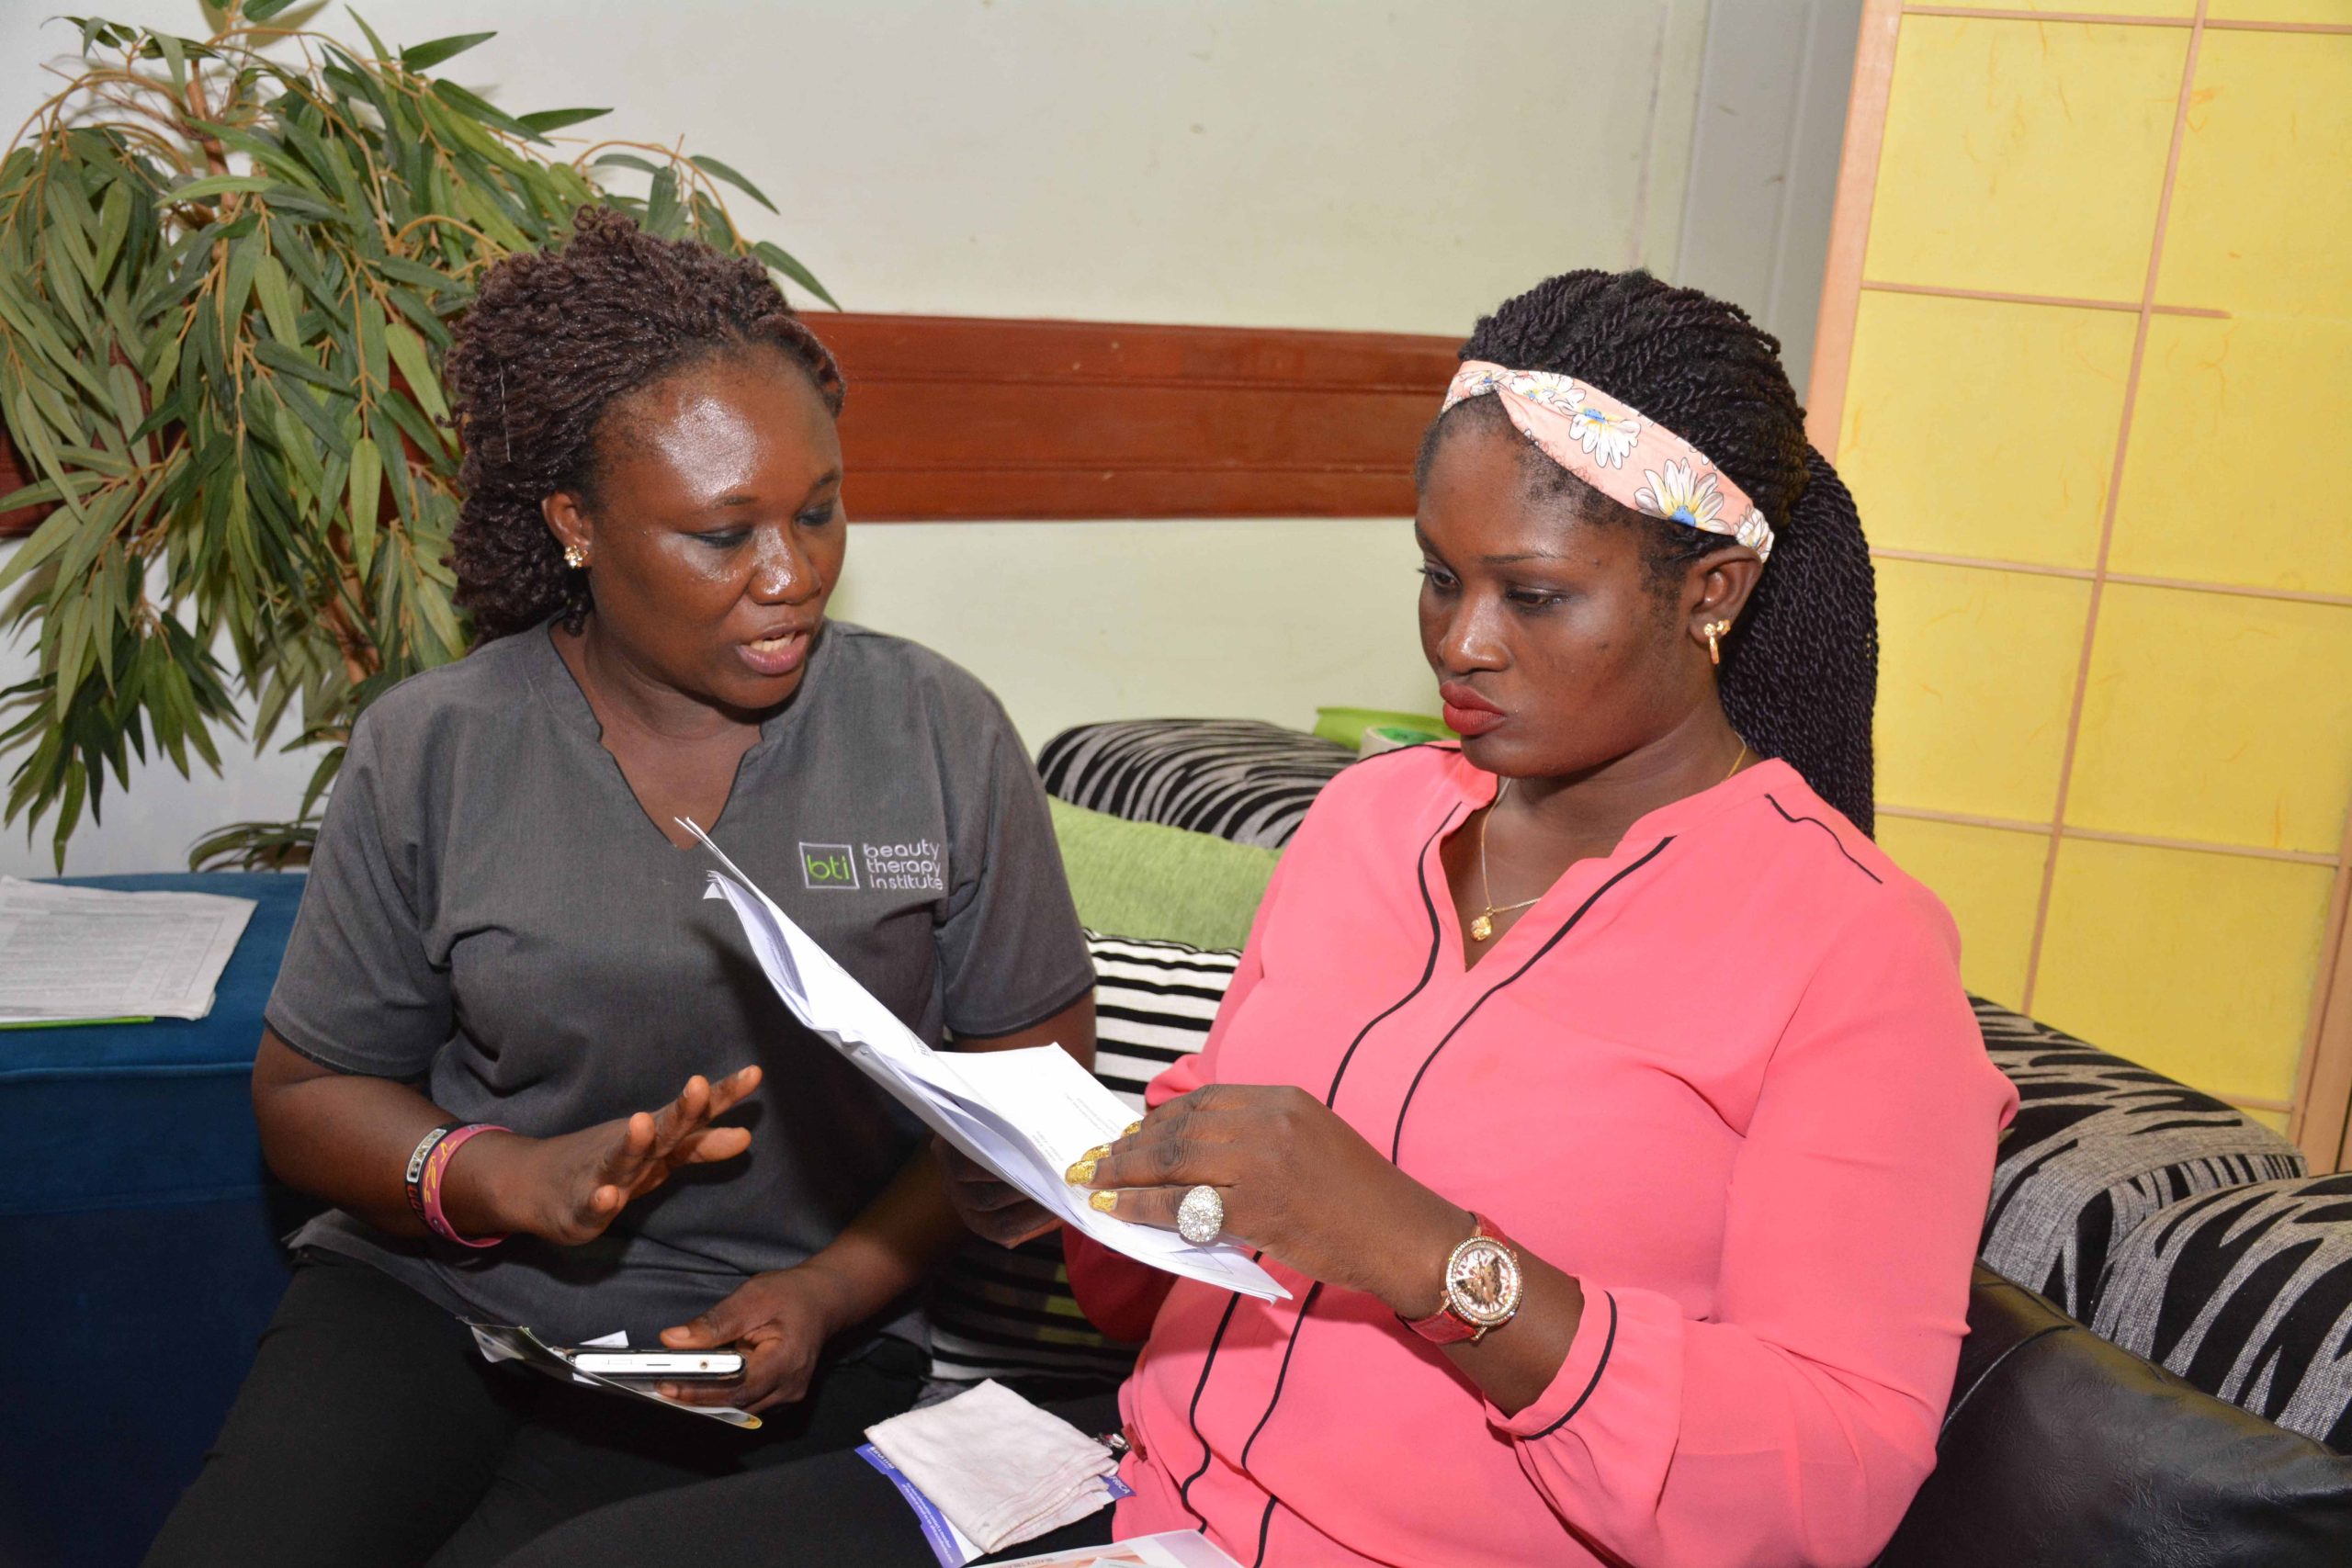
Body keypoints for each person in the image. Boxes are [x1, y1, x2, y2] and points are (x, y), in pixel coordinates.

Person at [497, 269, 2018, 1568]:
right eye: (1437, 579)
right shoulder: (1373, 823)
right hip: (1138, 1500)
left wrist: (1429, 1257)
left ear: (1714, 590)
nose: (1462, 643)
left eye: (1534, 596)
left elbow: (1830, 1486)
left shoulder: (1852, 952)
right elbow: (1163, 1287)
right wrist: (1079, 1192)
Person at [143, 209, 1098, 1568]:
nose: (792, 576)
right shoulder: (438, 744)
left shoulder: (936, 734)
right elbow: (307, 1099)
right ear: (576, 526)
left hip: (775, 1339)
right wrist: (504, 1177)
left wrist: (832, 1292)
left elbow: (1032, 1097)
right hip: (436, 1299)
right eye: (723, 534)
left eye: (818, 512)